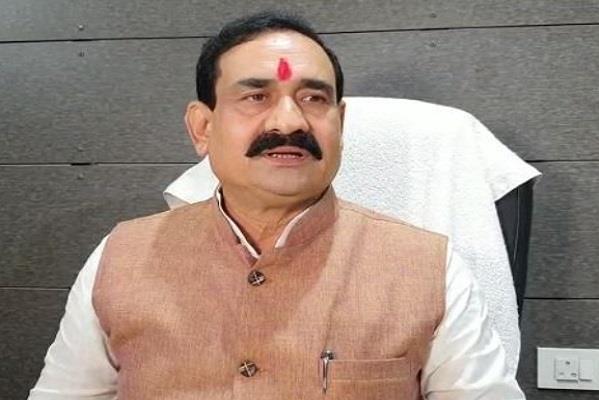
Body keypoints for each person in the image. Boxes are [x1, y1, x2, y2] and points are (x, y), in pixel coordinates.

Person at [29, 11, 525, 399]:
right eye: (256, 97)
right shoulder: (120, 258)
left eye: (313, 99)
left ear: (340, 125)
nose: (289, 122)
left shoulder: (429, 269)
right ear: (202, 128)